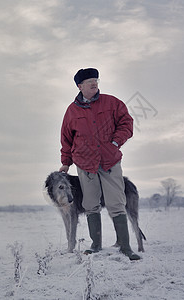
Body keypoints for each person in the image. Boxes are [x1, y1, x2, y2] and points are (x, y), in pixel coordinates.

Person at [59, 68, 140, 260]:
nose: (94, 84)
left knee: (116, 202)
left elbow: (126, 123)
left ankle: (126, 247)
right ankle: (96, 245)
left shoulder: (112, 103)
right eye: (89, 82)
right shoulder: (72, 111)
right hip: (84, 163)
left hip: (109, 160)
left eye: (96, 80)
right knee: (90, 204)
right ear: (80, 86)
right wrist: (65, 162)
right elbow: (66, 138)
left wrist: (114, 143)